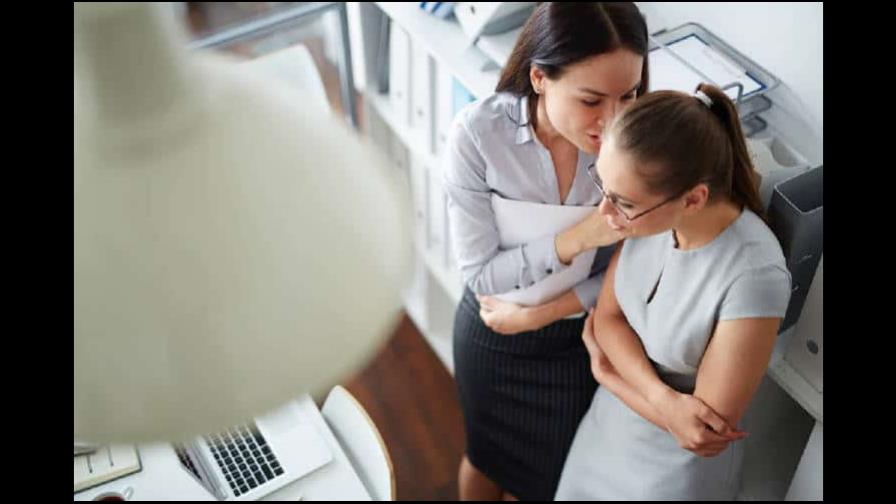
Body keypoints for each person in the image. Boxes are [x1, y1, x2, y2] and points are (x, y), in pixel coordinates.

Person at [442, 3, 650, 500]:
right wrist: (580, 236)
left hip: (571, 341)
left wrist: (546, 313)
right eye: (592, 100)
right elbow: (482, 275)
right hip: (492, 334)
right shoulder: (478, 136)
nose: (614, 120)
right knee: (485, 457)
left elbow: (630, 275)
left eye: (629, 95)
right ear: (539, 78)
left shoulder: (640, 147)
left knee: (544, 480)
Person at [555, 83, 791, 500]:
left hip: (670, 473)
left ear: (694, 199)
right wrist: (662, 399)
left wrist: (609, 374)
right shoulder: (650, 218)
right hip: (608, 429)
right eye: (604, 189)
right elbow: (608, 320)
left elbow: (702, 431)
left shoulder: (754, 276)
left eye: (621, 201)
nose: (604, 214)